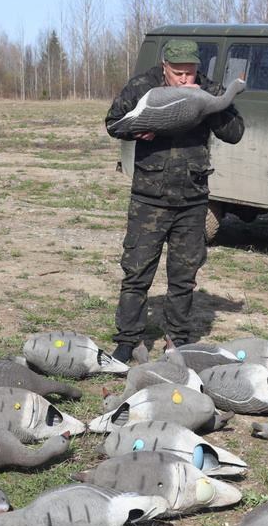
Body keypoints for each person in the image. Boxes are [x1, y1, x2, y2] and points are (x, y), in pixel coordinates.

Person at [104, 40, 244, 363]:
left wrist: (208, 107)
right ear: (164, 66)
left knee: (184, 275)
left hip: (193, 199)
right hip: (149, 198)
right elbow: (113, 121)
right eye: (178, 73)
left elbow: (236, 130)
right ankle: (127, 340)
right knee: (136, 271)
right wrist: (137, 130)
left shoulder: (207, 88)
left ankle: (176, 341)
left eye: (190, 72)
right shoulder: (143, 85)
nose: (184, 79)